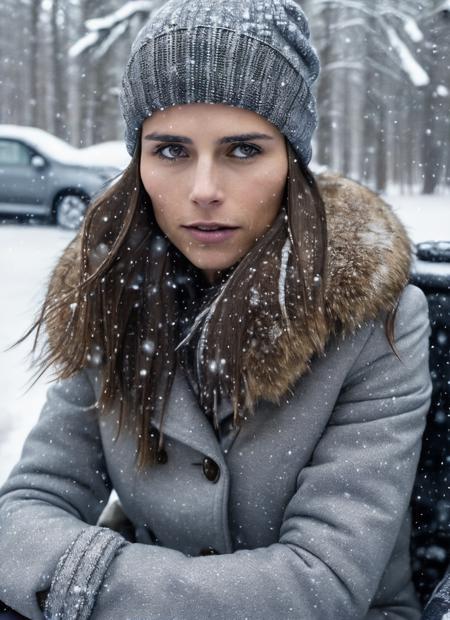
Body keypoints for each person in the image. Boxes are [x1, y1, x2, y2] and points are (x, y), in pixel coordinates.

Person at [0, 0, 433, 618]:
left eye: (243, 151)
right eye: (172, 151)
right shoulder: (112, 294)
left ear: (291, 161)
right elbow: (25, 510)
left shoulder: (375, 322)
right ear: (140, 162)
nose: (204, 189)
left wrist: (83, 581)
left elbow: (320, 584)